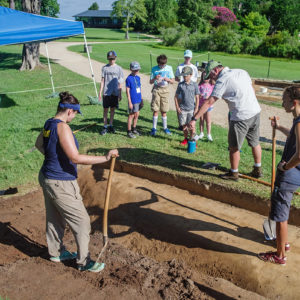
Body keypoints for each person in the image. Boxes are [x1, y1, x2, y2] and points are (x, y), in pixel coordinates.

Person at [35, 92, 119, 273]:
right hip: (60, 182)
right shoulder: (63, 128)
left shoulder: (49, 122)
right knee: (82, 221)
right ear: (70, 112)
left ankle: (56, 252)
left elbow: (39, 145)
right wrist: (105, 157)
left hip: (47, 177)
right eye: (74, 114)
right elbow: (75, 157)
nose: (74, 118)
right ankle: (83, 262)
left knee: (55, 217)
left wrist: (54, 159)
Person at [189, 60, 262, 181]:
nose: (211, 79)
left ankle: (233, 173)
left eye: (211, 75)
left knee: (234, 147)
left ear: (216, 70)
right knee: (255, 142)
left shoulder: (223, 80)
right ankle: (257, 169)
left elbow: (209, 102)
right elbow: (252, 90)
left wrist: (194, 119)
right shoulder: (241, 71)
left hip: (240, 116)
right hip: (255, 111)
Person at [258, 86, 300, 266]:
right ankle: (285, 243)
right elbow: (294, 137)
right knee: (283, 211)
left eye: (284, 100)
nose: (282, 102)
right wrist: (279, 126)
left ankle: (280, 255)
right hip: (295, 175)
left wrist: (285, 167)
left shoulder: (299, 122)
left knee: (280, 217)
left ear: (294, 102)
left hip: (289, 175)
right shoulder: (297, 121)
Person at [99, 50, 124, 135]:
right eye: (110, 59)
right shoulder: (104, 68)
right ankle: (105, 126)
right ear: (107, 59)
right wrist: (100, 92)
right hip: (106, 92)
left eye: (113, 59)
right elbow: (102, 81)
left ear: (115, 58)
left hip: (115, 93)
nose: (111, 61)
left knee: (112, 109)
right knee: (105, 110)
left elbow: (120, 82)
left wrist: (120, 93)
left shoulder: (119, 68)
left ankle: (111, 125)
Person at [149, 54, 175, 136]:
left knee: (164, 110)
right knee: (155, 109)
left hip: (165, 90)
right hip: (156, 89)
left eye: (164, 64)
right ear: (158, 63)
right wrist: (155, 78)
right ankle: (154, 128)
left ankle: (165, 128)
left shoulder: (169, 68)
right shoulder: (154, 69)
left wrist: (168, 80)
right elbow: (150, 82)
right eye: (160, 64)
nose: (162, 66)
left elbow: (173, 81)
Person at [174, 66, 200, 145]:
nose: (184, 77)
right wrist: (177, 107)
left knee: (192, 126)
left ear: (191, 75)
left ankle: (192, 140)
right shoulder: (180, 85)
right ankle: (186, 138)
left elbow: (197, 97)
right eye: (183, 76)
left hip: (191, 109)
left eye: (186, 75)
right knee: (184, 126)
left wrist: (196, 109)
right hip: (182, 109)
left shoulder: (194, 85)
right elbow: (175, 97)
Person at [196, 72, 215, 141]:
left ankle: (209, 134)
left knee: (208, 120)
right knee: (201, 119)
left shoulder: (212, 85)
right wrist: (200, 96)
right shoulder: (200, 85)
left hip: (209, 106)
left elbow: (214, 95)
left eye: (207, 77)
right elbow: (197, 95)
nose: (206, 79)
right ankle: (201, 133)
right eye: (204, 77)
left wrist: (209, 97)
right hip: (201, 105)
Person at [126, 61, 143, 138]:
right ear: (131, 69)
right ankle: (129, 131)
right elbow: (127, 91)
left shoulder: (138, 77)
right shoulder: (128, 79)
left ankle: (134, 128)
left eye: (137, 69)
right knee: (131, 115)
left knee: (137, 115)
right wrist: (129, 102)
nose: (137, 71)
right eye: (135, 70)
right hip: (133, 100)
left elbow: (139, 88)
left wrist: (141, 99)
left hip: (138, 99)